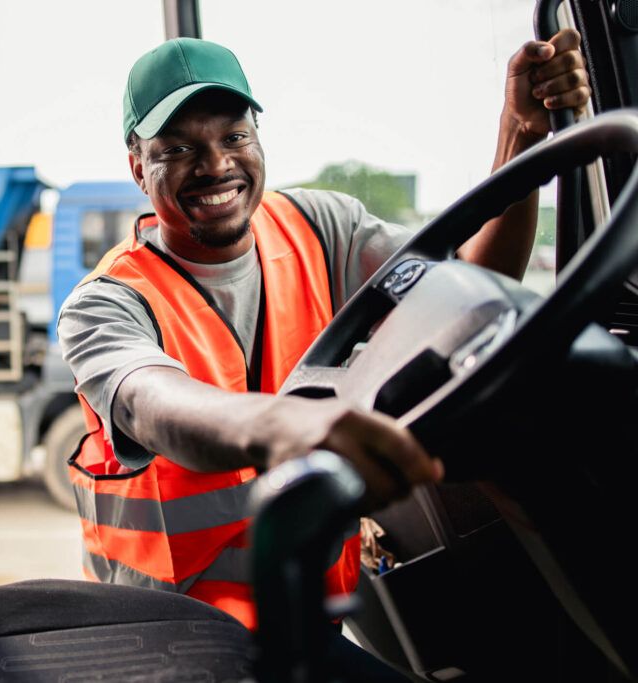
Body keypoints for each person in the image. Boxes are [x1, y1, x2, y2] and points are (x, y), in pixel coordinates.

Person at [57, 33, 590, 630]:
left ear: (258, 140)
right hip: (173, 634)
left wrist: (519, 136)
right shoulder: (104, 304)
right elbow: (153, 404)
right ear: (138, 169)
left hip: (310, 613)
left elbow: (470, 292)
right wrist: (286, 422)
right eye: (179, 148)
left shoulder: (323, 228)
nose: (216, 165)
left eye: (234, 136)